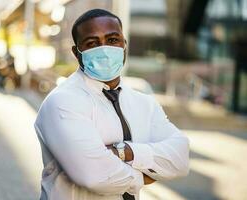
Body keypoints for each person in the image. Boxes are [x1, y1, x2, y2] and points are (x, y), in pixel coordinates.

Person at [34, 9, 189, 200]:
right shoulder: (62, 101)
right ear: (77, 52)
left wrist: (126, 152)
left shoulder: (144, 103)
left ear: (124, 44)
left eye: (113, 40)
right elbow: (94, 176)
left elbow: (180, 158)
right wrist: (144, 175)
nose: (105, 49)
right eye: (92, 43)